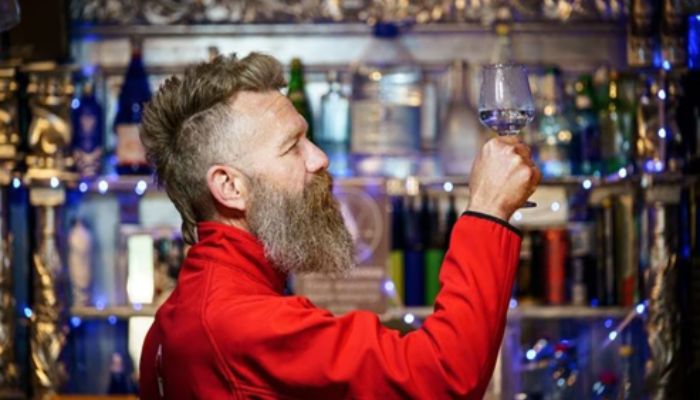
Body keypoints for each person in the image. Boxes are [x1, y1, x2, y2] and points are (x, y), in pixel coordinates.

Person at [138, 53, 540, 399]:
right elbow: (443, 375)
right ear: (230, 187)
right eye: (292, 147)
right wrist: (488, 210)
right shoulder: (241, 321)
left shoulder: (177, 316)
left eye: (308, 139)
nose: (320, 158)